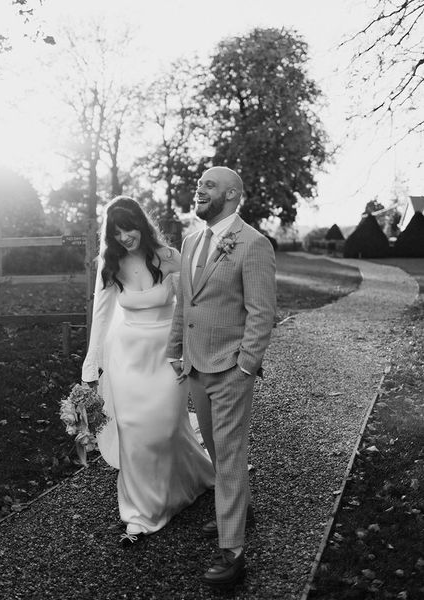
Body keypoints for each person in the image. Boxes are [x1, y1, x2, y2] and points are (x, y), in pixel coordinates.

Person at [81, 195, 214, 546]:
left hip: (168, 353)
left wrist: (198, 347)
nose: (126, 237)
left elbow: (195, 304)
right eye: (118, 231)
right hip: (127, 356)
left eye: (130, 228)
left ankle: (192, 479)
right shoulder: (109, 263)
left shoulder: (168, 257)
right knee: (133, 428)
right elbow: (102, 314)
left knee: (167, 426)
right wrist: (91, 366)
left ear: (142, 223)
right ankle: (139, 512)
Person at [167, 167, 276, 586]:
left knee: (229, 456)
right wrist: (175, 352)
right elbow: (184, 305)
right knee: (215, 448)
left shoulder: (253, 244)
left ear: (232, 195)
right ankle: (241, 508)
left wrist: (245, 366)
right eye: (199, 184)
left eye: (209, 185)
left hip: (231, 368)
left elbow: (262, 312)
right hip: (195, 366)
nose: (199, 188)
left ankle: (233, 554)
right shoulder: (191, 240)